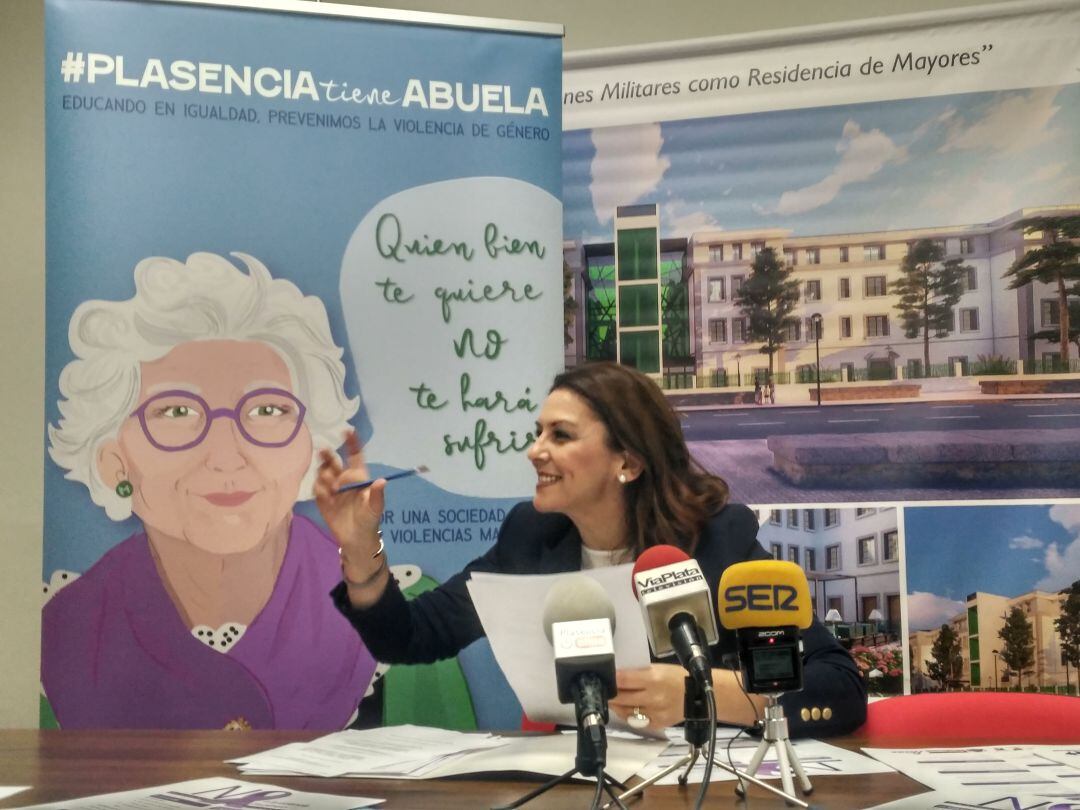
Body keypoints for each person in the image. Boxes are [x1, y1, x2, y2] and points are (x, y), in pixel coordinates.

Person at [317, 362, 866, 736]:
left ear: (626, 461)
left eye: (560, 435)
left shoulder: (718, 541)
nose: (534, 451)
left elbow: (835, 686)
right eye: (537, 432)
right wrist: (363, 550)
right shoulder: (531, 537)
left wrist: (700, 693)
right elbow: (411, 636)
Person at [44, 252, 376, 729]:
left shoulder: (397, 616)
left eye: (266, 410)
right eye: (176, 413)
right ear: (114, 459)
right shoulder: (62, 633)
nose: (226, 455)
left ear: (311, 448)